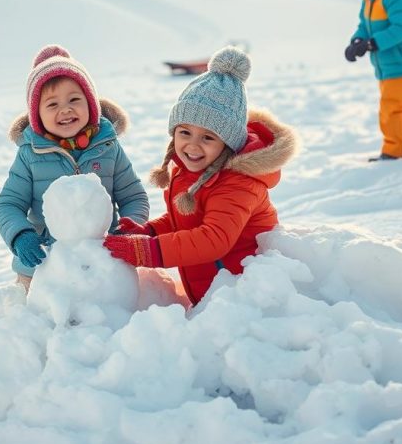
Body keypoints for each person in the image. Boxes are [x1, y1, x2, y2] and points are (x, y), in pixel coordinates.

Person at [103, 47, 298, 307]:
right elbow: (185, 219)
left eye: (207, 137)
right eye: (185, 133)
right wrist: (148, 232)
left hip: (249, 300)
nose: (193, 146)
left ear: (228, 143)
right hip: (216, 297)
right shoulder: (193, 170)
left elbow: (212, 239)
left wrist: (147, 251)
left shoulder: (239, 183)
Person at [0, 44, 149, 291]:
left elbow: (134, 196)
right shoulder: (29, 154)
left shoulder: (108, 147)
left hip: (102, 261)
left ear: (91, 104)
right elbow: (8, 204)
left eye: (74, 99)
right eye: (52, 104)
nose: (65, 109)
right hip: (44, 265)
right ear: (37, 116)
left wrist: (127, 229)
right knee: (34, 322)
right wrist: (21, 236)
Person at [344, 0, 402, 161]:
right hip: (390, 64)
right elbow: (363, 25)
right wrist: (357, 40)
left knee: (390, 107)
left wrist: (373, 43)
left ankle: (393, 151)